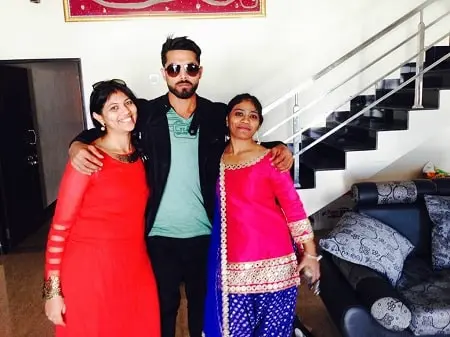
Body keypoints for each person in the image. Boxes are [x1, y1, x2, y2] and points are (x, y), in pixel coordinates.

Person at [68, 36, 294, 337]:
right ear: (164, 72)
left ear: (200, 71)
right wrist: (76, 145)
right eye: (174, 68)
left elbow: (246, 138)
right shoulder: (146, 113)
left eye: (190, 67)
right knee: (163, 308)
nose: (182, 74)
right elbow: (103, 128)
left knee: (204, 307)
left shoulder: (215, 115)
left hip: (206, 232)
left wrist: (282, 146)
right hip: (159, 234)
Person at [43, 80, 160, 337]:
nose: (125, 111)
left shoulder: (141, 155)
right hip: (90, 273)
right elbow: (59, 229)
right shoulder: (87, 159)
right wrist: (52, 292)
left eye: (128, 103)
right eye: (113, 108)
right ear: (99, 117)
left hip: (135, 267)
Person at [203, 93, 321, 337]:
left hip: (276, 264)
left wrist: (309, 253)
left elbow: (293, 206)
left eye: (253, 116)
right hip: (233, 268)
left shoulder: (271, 159)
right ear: (227, 119)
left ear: (258, 124)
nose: (245, 120)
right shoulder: (215, 158)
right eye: (239, 113)